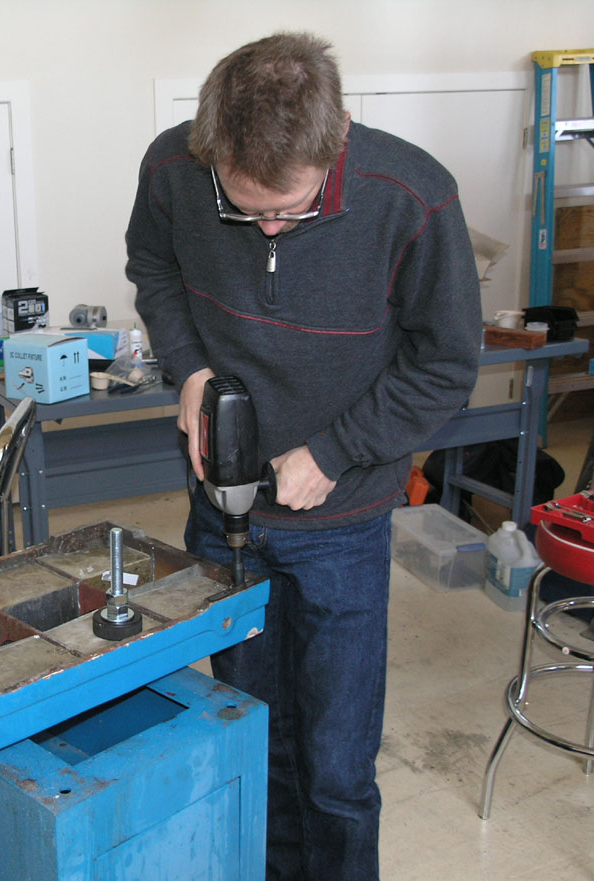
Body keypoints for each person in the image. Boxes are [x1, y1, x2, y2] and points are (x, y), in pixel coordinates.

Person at [125, 32, 481, 881]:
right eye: (245, 208)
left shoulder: (413, 197)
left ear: (339, 137)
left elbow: (445, 364)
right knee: (254, 736)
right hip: (224, 509)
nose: (268, 228)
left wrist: (335, 451)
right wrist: (190, 367)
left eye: (289, 209)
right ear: (211, 148)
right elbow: (153, 268)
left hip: (344, 523)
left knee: (336, 770)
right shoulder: (173, 168)